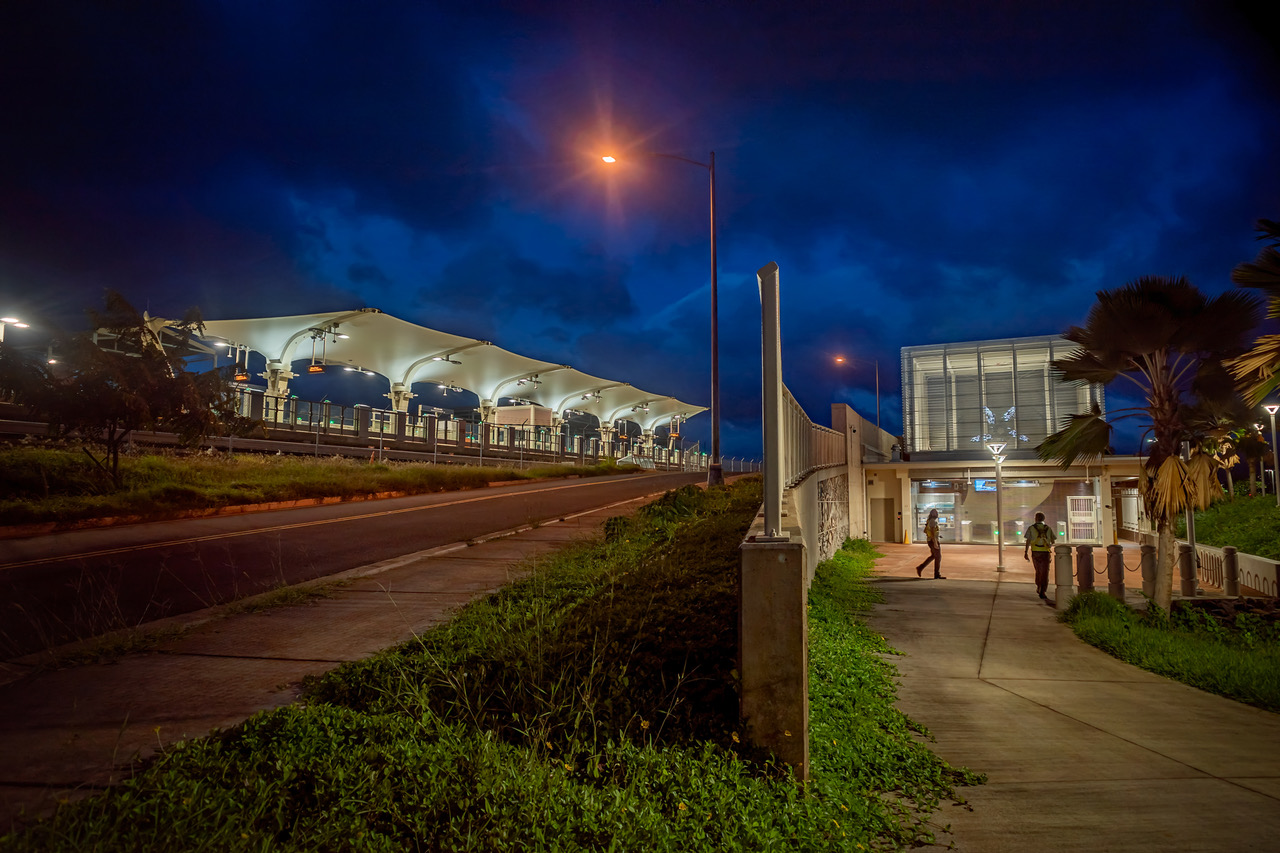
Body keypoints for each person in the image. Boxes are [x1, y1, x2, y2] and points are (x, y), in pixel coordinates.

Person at [1023, 511, 1056, 600]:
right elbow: (1053, 541)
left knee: (1038, 570)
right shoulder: (1048, 528)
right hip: (1045, 552)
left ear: (1036, 518)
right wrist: (1048, 546)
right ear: (1044, 519)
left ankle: (1038, 586)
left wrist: (1026, 552)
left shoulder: (1031, 528)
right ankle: (1043, 590)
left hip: (1035, 552)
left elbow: (1028, 541)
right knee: (1045, 572)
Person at [914, 508, 945, 579]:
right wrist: (935, 543)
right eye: (936, 513)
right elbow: (933, 532)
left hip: (931, 540)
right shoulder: (932, 521)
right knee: (938, 557)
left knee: (934, 556)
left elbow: (931, 532)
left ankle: (920, 567)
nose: (937, 514)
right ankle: (936, 574)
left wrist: (938, 536)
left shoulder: (930, 521)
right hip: (933, 541)